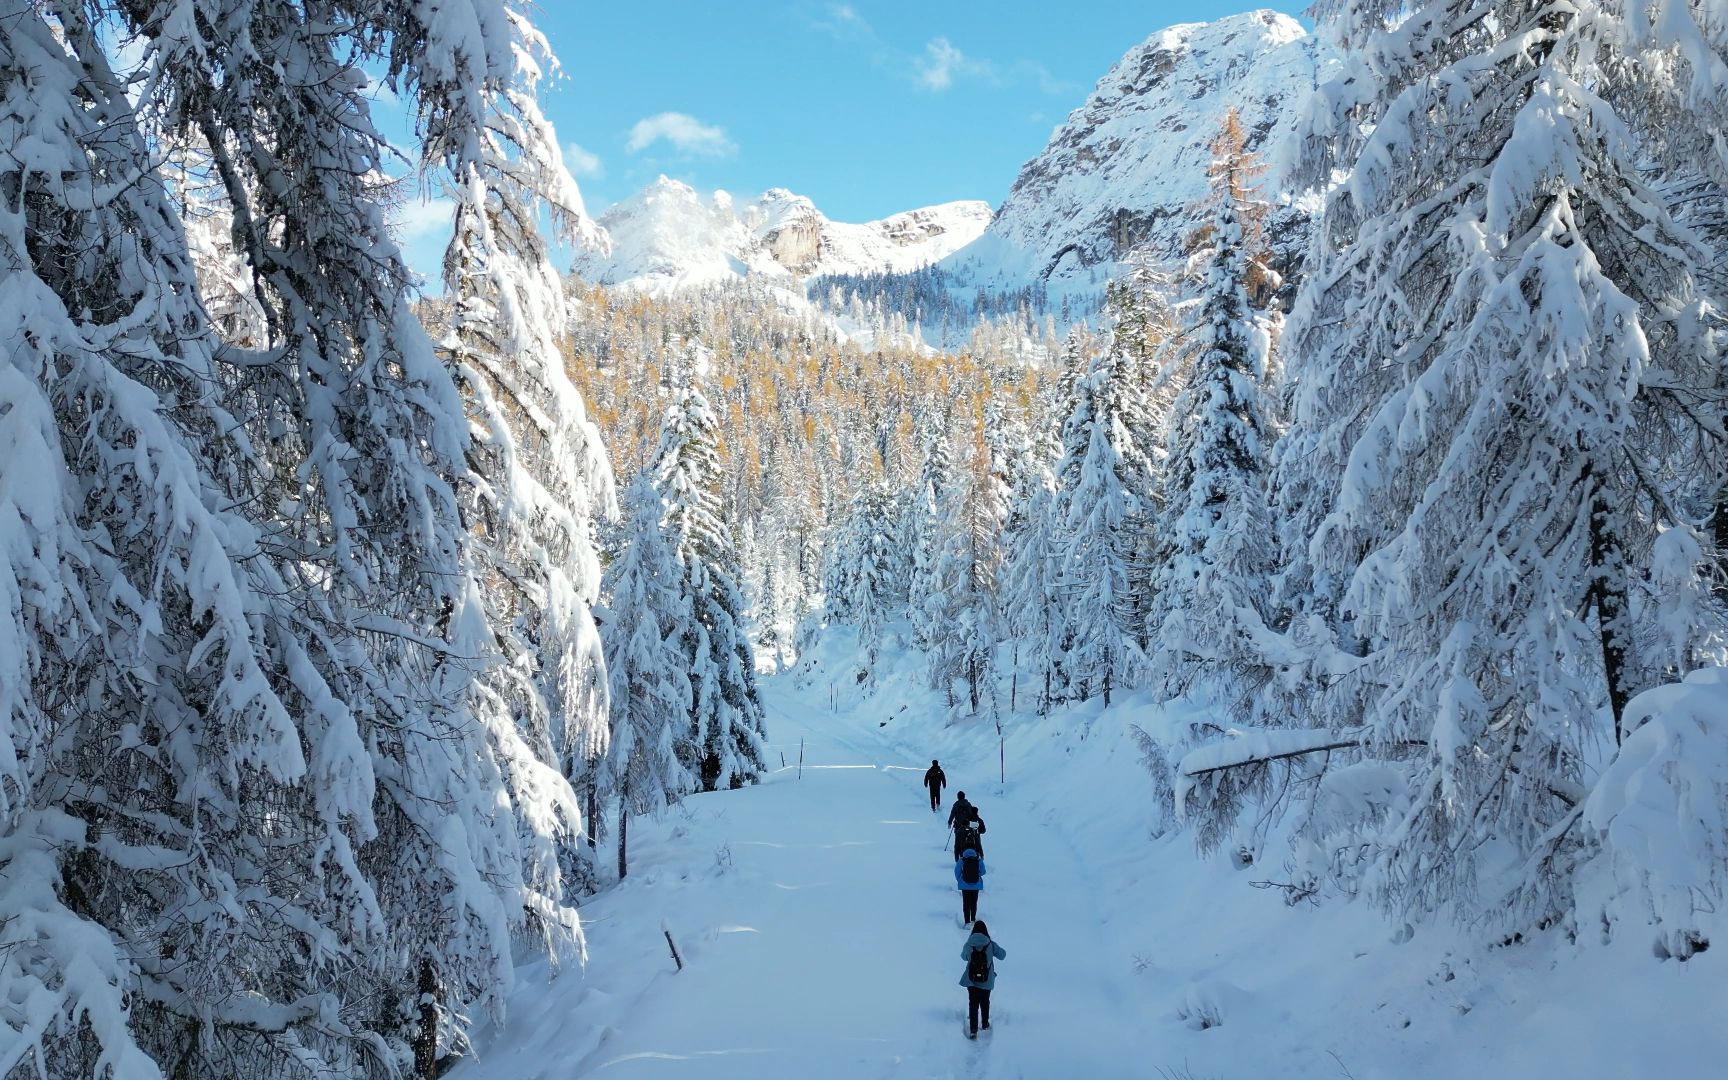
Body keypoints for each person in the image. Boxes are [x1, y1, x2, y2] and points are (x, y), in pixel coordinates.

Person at [958, 919, 1006, 1039]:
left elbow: (963, 957)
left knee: (973, 1003)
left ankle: (973, 1030)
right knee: (985, 1002)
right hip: (986, 980)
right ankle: (984, 1024)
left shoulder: (969, 944)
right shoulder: (990, 944)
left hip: (971, 979)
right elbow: (1002, 955)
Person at [954, 845, 985, 923]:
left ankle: (967, 921)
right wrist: (977, 875)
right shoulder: (978, 859)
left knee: (966, 903)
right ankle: (973, 919)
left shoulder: (962, 860)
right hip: (976, 885)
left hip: (964, 886)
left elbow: (956, 871)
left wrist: (960, 879)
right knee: (974, 903)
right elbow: (983, 871)